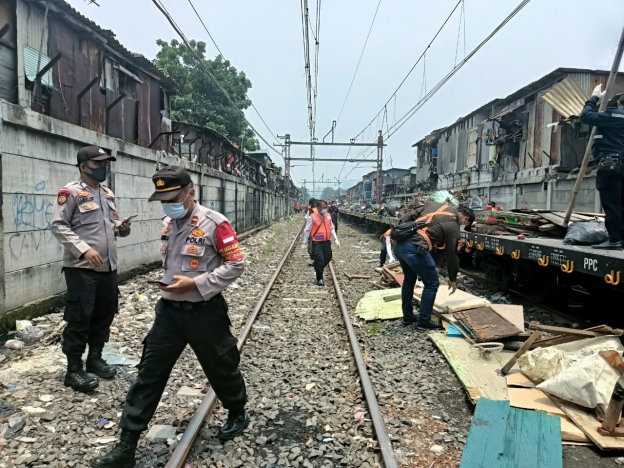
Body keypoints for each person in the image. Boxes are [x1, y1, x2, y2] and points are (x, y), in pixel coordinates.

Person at [91, 166, 248, 468]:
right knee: (149, 375)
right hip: (168, 314)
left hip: (205, 312)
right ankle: (126, 445)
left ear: (191, 192)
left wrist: (197, 284)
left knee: (221, 366)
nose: (168, 205)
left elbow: (236, 264)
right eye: (163, 199)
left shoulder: (216, 223)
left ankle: (237, 410)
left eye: (173, 198)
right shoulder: (168, 222)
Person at [51, 146, 132, 393]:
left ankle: (94, 359)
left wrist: (121, 227)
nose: (103, 168)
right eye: (98, 164)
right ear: (83, 166)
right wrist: (83, 249)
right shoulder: (70, 192)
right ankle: (73, 370)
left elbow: (109, 225)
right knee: (80, 317)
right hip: (82, 268)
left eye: (105, 163)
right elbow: (58, 225)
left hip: (108, 266)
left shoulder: (107, 192)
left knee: (104, 314)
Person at [393, 202, 474, 330]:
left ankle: (408, 317)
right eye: (465, 224)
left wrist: (399, 233)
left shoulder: (433, 205)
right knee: (432, 283)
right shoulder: (453, 227)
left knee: (409, 278)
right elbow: (452, 255)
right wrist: (453, 279)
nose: (462, 225)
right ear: (466, 218)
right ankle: (424, 321)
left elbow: (406, 217)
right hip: (415, 248)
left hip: (399, 246)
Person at [580, 85, 624, 250]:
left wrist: (594, 98)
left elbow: (586, 116)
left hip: (611, 164)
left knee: (612, 203)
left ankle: (613, 240)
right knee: (622, 204)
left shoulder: (614, 115)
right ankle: (621, 239)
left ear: (619, 102)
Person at [303, 200, 340, 286]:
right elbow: (307, 230)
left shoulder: (328, 216)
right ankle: (319, 278)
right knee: (320, 259)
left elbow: (331, 228)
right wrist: (305, 242)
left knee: (328, 257)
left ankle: (317, 268)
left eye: (326, 208)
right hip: (317, 242)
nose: (325, 209)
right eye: (324, 208)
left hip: (326, 241)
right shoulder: (312, 217)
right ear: (318, 208)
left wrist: (336, 239)